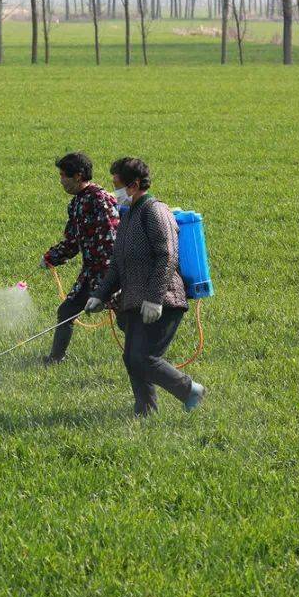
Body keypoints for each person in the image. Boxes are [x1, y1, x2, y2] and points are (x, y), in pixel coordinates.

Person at [86, 158, 206, 416]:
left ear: (134, 185)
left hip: (163, 299)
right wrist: (99, 295)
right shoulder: (128, 217)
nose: (113, 191)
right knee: (132, 359)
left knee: (142, 358)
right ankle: (145, 412)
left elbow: (167, 255)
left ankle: (190, 390)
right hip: (134, 302)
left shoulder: (155, 211)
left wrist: (155, 298)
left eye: (117, 185)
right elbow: (117, 265)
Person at [40, 152, 120, 365]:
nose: (61, 181)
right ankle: (56, 358)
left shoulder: (100, 199)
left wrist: (105, 285)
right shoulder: (76, 204)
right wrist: (52, 257)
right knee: (66, 311)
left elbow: (111, 239)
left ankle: (145, 359)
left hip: (111, 272)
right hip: (91, 272)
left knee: (126, 319)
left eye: (63, 176)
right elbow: (73, 240)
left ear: (78, 176)